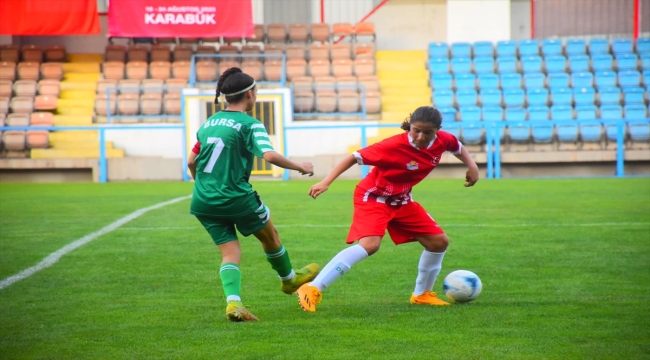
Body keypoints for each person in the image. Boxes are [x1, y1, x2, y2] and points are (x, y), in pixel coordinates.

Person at [296, 106, 479, 312]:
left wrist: (472, 166)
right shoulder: (393, 145)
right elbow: (353, 157)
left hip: (402, 200)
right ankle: (312, 288)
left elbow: (457, 147)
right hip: (373, 197)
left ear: (438, 130)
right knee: (370, 245)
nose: (420, 136)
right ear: (410, 126)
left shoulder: (443, 140)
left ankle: (421, 295)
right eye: (416, 130)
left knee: (438, 242)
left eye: (427, 132)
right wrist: (326, 182)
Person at [188, 67, 320, 322]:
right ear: (249, 94)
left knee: (229, 253)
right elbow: (269, 155)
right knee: (270, 236)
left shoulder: (208, 124)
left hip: (203, 200)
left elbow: (191, 161)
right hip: (236, 197)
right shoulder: (250, 124)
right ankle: (289, 280)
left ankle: (234, 303)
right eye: (256, 91)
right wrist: (300, 166)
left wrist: (203, 185)